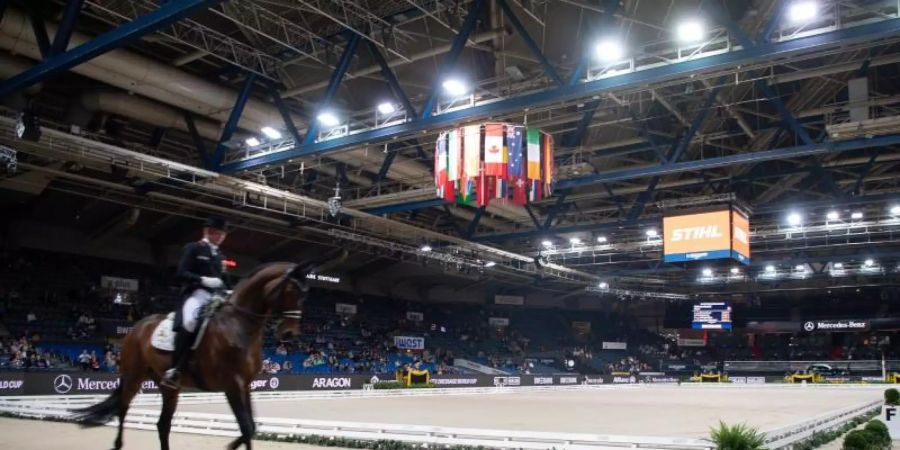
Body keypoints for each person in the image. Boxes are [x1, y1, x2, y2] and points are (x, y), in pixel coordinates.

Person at [161, 217, 229, 389]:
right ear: (207, 232)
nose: (220, 236)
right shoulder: (194, 248)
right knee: (191, 322)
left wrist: (228, 290)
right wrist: (202, 280)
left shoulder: (221, 256)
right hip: (196, 293)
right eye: (216, 233)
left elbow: (223, 280)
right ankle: (174, 370)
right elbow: (181, 273)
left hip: (216, 297)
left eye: (222, 234)